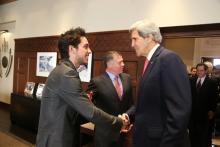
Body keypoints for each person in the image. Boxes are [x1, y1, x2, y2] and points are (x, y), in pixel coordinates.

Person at [36, 27, 129, 147]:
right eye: (86, 46)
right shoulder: (66, 74)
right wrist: (119, 122)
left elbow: (77, 112)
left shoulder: (63, 70)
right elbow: (90, 113)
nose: (89, 51)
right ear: (71, 49)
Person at [129, 19, 192, 147]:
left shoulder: (168, 59)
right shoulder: (151, 61)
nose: (132, 44)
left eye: (135, 39)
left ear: (149, 37)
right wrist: (129, 115)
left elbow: (179, 112)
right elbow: (148, 102)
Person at [87, 51, 135, 147]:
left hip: (123, 132)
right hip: (104, 134)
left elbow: (131, 103)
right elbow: (88, 106)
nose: (123, 64)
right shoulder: (96, 82)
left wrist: (128, 118)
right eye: (120, 62)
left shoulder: (127, 78)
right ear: (109, 64)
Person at [189, 63, 217, 147]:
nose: (199, 72)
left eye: (201, 71)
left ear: (206, 71)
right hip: (193, 114)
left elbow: (214, 98)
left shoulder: (211, 82)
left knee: (203, 136)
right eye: (198, 71)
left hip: (205, 114)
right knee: (192, 135)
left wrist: (212, 110)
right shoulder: (192, 80)